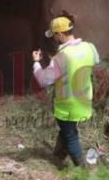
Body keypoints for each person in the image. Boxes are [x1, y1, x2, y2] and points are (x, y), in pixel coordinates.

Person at [32, 12, 100, 167]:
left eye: (54, 36)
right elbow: (95, 62)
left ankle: (81, 171)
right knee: (67, 129)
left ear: (61, 34)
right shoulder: (89, 47)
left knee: (71, 137)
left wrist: (36, 63)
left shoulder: (61, 57)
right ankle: (58, 156)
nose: (54, 39)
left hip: (67, 104)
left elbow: (44, 80)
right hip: (84, 100)